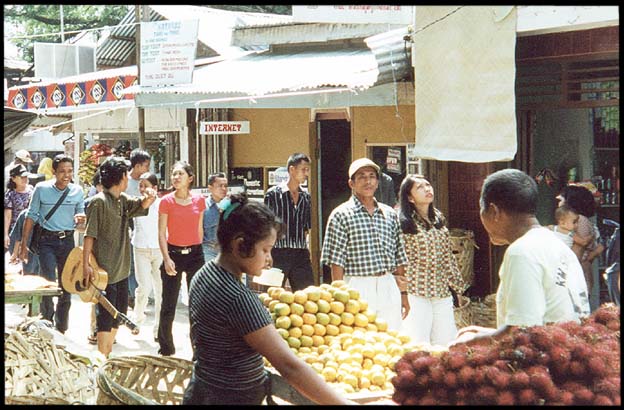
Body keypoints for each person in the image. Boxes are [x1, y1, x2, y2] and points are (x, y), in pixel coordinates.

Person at [183, 193, 351, 405]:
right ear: (240, 245)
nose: (269, 260)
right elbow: (290, 367)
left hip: (201, 390)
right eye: (265, 250)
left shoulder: (205, 274)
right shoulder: (238, 298)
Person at [455, 169, 590, 346]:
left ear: (494, 211)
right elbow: (540, 322)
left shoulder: (521, 252)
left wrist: (471, 341)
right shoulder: (555, 244)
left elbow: (523, 333)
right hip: (568, 355)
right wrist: (492, 333)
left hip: (545, 367)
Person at [320, 157, 409, 331]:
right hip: (358, 285)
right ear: (351, 183)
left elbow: (399, 256)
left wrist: (403, 294)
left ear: (377, 182)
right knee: (361, 340)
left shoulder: (389, 214)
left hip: (388, 283)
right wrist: (340, 298)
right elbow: (336, 262)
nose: (368, 181)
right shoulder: (341, 215)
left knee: (392, 337)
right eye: (361, 176)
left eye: (372, 176)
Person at [82, 157, 157, 357]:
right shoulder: (98, 202)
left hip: (122, 270)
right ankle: (101, 359)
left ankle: (107, 355)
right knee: (105, 318)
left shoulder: (122, 200)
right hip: (104, 273)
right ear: (121, 177)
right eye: (126, 175)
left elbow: (142, 204)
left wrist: (150, 195)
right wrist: (85, 266)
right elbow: (89, 236)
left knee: (118, 314)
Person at [18, 154, 86, 334]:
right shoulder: (41, 189)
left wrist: (81, 220)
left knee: (67, 284)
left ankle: (61, 327)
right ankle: (47, 322)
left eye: (70, 171)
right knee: (48, 282)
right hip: (46, 241)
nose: (66, 175)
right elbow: (30, 216)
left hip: (67, 241)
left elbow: (81, 221)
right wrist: (24, 243)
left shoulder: (77, 191)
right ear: (54, 172)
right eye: (62, 171)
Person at [397, 174, 466, 346]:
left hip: (441, 291)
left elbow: (447, 256)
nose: (427, 189)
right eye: (420, 187)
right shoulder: (403, 223)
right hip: (416, 291)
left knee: (445, 343)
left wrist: (456, 286)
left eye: (428, 185)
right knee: (418, 343)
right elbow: (397, 256)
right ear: (410, 197)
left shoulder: (438, 218)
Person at [157, 161, 206, 357]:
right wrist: (167, 258)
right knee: (168, 304)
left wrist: (199, 248)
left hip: (195, 255)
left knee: (197, 304)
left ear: (190, 178)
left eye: (180, 174)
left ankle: (199, 350)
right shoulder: (166, 201)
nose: (176, 177)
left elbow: (200, 227)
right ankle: (166, 348)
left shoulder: (199, 200)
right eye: (174, 174)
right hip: (173, 254)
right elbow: (161, 233)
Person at [263, 153, 314, 291]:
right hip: (278, 252)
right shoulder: (273, 194)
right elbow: (266, 225)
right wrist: (266, 253)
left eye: (307, 170)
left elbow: (307, 226)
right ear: (292, 170)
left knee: (307, 295)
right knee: (272, 294)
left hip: (300, 253)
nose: (306, 174)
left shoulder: (306, 197)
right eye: (303, 169)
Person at [557, 184, 604, 310]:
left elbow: (577, 255)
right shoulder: (578, 220)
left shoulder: (580, 220)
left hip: (578, 277)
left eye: (562, 198)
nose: (558, 199)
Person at [131, 172, 164, 341]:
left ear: (155, 188)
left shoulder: (163, 205)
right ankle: (137, 318)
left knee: (160, 290)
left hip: (159, 250)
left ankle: (159, 329)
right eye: (140, 186)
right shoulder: (136, 204)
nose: (143, 189)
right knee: (144, 287)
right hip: (140, 248)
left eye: (146, 185)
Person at [125, 148, 152, 309]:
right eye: (146, 165)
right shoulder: (125, 182)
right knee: (130, 263)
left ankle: (136, 294)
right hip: (128, 226)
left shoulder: (144, 183)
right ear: (137, 166)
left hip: (143, 227)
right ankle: (132, 295)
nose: (147, 169)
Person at [85, 170, 104, 345]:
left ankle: (105, 331)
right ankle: (95, 329)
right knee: (96, 294)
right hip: (95, 255)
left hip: (113, 256)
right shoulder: (91, 203)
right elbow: (86, 233)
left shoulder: (120, 202)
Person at [4, 164, 34, 254]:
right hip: (16, 233)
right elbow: (7, 216)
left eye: (26, 176)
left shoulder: (32, 190)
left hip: (32, 231)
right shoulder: (10, 195)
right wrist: (6, 235)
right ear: (13, 179)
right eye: (22, 177)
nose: (25, 179)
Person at [202, 173, 228, 262]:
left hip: (228, 251)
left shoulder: (233, 206)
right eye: (220, 186)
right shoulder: (203, 207)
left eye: (225, 186)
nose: (224, 189)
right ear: (210, 188)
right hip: (209, 250)